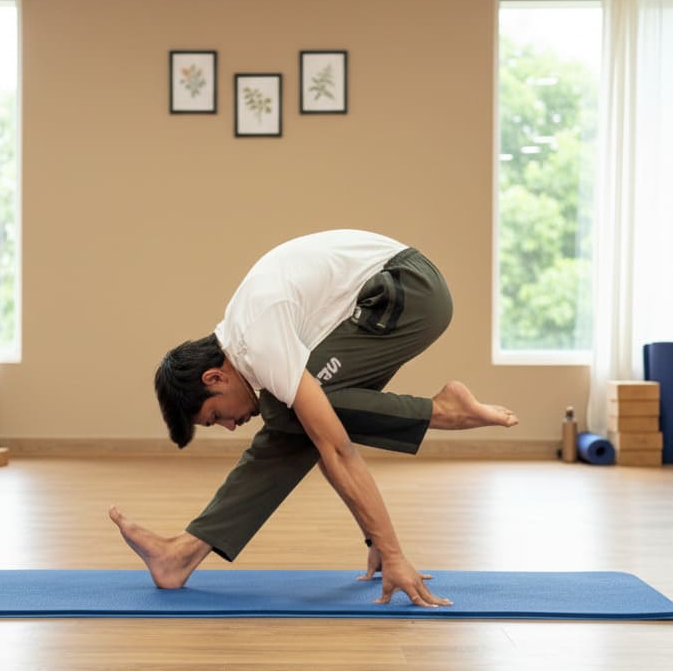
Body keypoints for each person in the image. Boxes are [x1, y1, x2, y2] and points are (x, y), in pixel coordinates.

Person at [109, 230, 518, 607]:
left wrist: (392, 552)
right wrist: (374, 535)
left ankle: (445, 410)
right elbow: (323, 437)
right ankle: (180, 556)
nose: (230, 426)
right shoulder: (250, 338)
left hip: (408, 290)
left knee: (288, 413)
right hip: (401, 294)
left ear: (215, 377)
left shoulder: (259, 340)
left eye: (216, 416)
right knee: (295, 419)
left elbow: (337, 449)